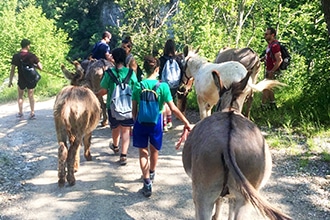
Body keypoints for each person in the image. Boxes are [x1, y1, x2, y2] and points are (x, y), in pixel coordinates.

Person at [132, 55, 192, 197]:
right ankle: (151, 174)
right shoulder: (163, 86)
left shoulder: (137, 86)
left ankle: (146, 183)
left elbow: (134, 110)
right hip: (156, 122)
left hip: (141, 122)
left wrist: (137, 122)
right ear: (157, 69)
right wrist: (186, 122)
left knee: (142, 152)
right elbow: (173, 109)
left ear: (145, 69)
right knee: (154, 151)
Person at [96, 48, 138, 165]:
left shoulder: (109, 73)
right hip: (128, 106)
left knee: (115, 128)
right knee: (126, 130)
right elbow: (136, 89)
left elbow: (104, 90)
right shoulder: (130, 73)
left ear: (113, 58)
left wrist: (95, 94)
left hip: (112, 106)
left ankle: (115, 146)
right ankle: (123, 155)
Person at [8, 39, 43, 119]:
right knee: (31, 95)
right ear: (27, 46)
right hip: (30, 78)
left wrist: (10, 81)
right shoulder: (32, 56)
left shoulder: (16, 56)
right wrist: (35, 66)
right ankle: (32, 113)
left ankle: (20, 113)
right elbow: (40, 67)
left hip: (21, 78)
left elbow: (12, 69)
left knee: (20, 96)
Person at [159, 39, 183, 131]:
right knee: (170, 102)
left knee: (164, 103)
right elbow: (182, 71)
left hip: (164, 84)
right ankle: (169, 122)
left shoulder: (161, 60)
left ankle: (164, 123)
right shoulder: (178, 59)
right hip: (175, 85)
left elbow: (160, 73)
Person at [261, 27, 283, 110]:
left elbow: (279, 60)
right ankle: (273, 105)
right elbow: (270, 55)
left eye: (267, 34)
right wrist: (263, 59)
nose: (265, 35)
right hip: (269, 69)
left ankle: (263, 106)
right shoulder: (270, 45)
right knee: (270, 88)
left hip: (272, 70)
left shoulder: (275, 45)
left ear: (272, 35)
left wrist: (272, 71)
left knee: (265, 87)